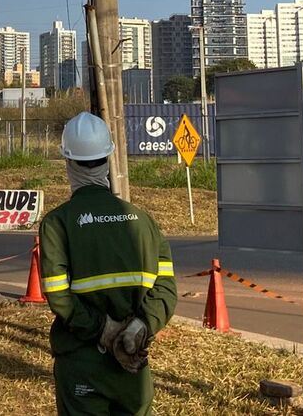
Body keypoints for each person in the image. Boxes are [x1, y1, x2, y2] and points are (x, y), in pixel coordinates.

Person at [39, 111, 177, 415]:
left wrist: (104, 330)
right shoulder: (142, 221)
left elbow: (58, 295)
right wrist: (137, 329)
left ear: (68, 161)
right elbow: (166, 288)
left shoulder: (57, 224)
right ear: (109, 157)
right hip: (132, 367)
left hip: (82, 365)